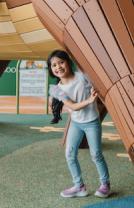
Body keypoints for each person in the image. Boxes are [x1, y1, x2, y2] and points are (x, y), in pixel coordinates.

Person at [47, 50, 110, 199]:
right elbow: (73, 107)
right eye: (54, 65)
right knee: (70, 154)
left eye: (61, 62)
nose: (58, 67)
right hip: (76, 123)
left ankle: (105, 184)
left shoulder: (82, 77)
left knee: (96, 155)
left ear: (68, 62)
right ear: (51, 69)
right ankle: (79, 186)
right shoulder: (58, 89)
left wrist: (94, 92)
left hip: (92, 122)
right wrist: (90, 100)